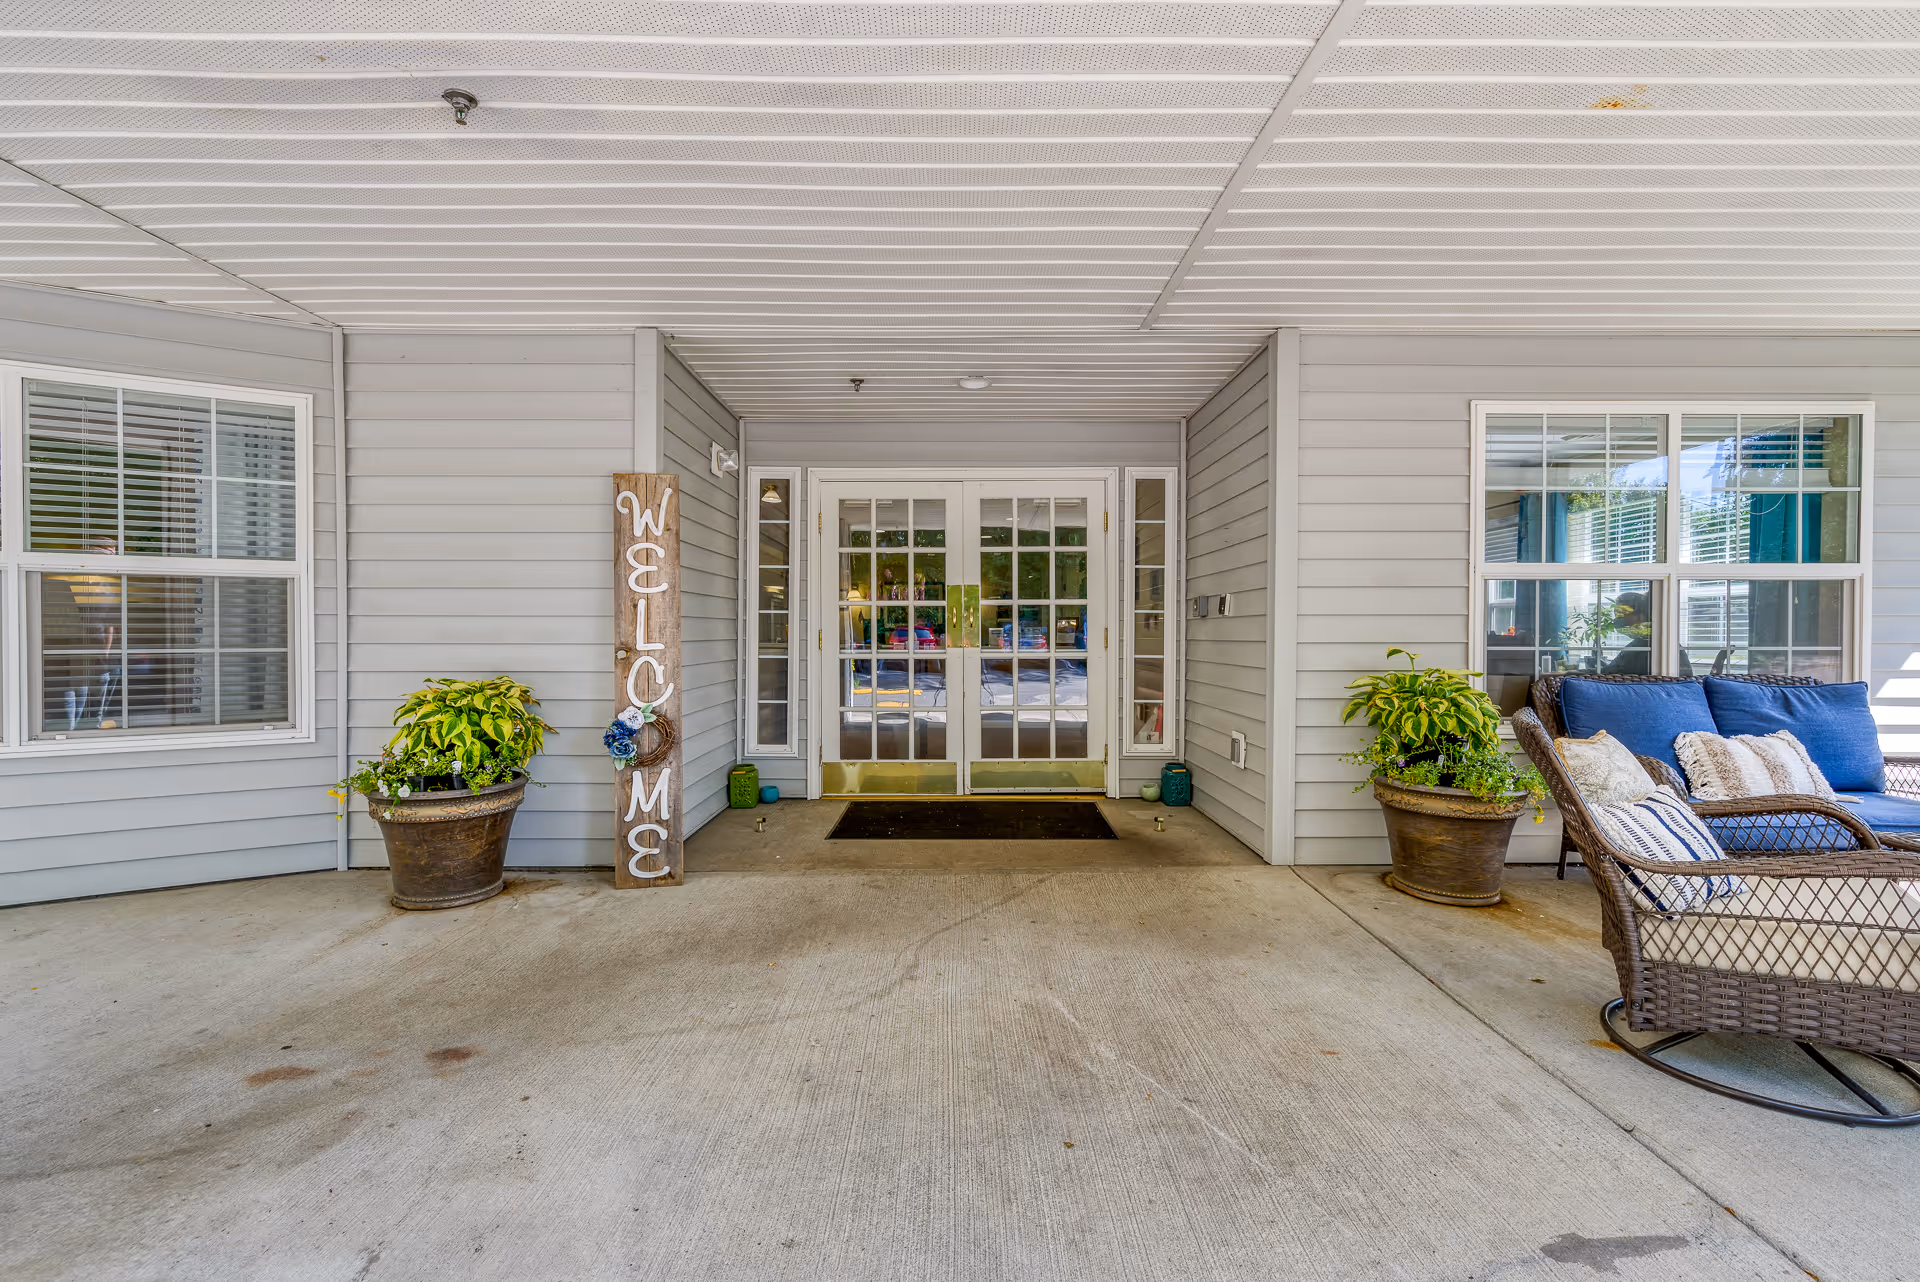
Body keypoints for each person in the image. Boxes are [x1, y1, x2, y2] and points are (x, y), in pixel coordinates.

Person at [1601, 591, 1652, 675]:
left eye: (1622, 613)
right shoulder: (1643, 642)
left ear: (1641, 615)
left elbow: (1614, 672)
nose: (1618, 619)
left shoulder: (1641, 645)